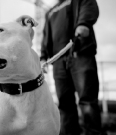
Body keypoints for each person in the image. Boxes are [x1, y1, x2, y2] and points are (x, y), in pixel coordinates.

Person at [40, 0, 107, 135]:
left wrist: (83, 23)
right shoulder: (50, 12)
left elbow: (89, 7)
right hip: (58, 62)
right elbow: (46, 36)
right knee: (64, 104)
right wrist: (43, 56)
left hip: (80, 54)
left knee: (87, 100)